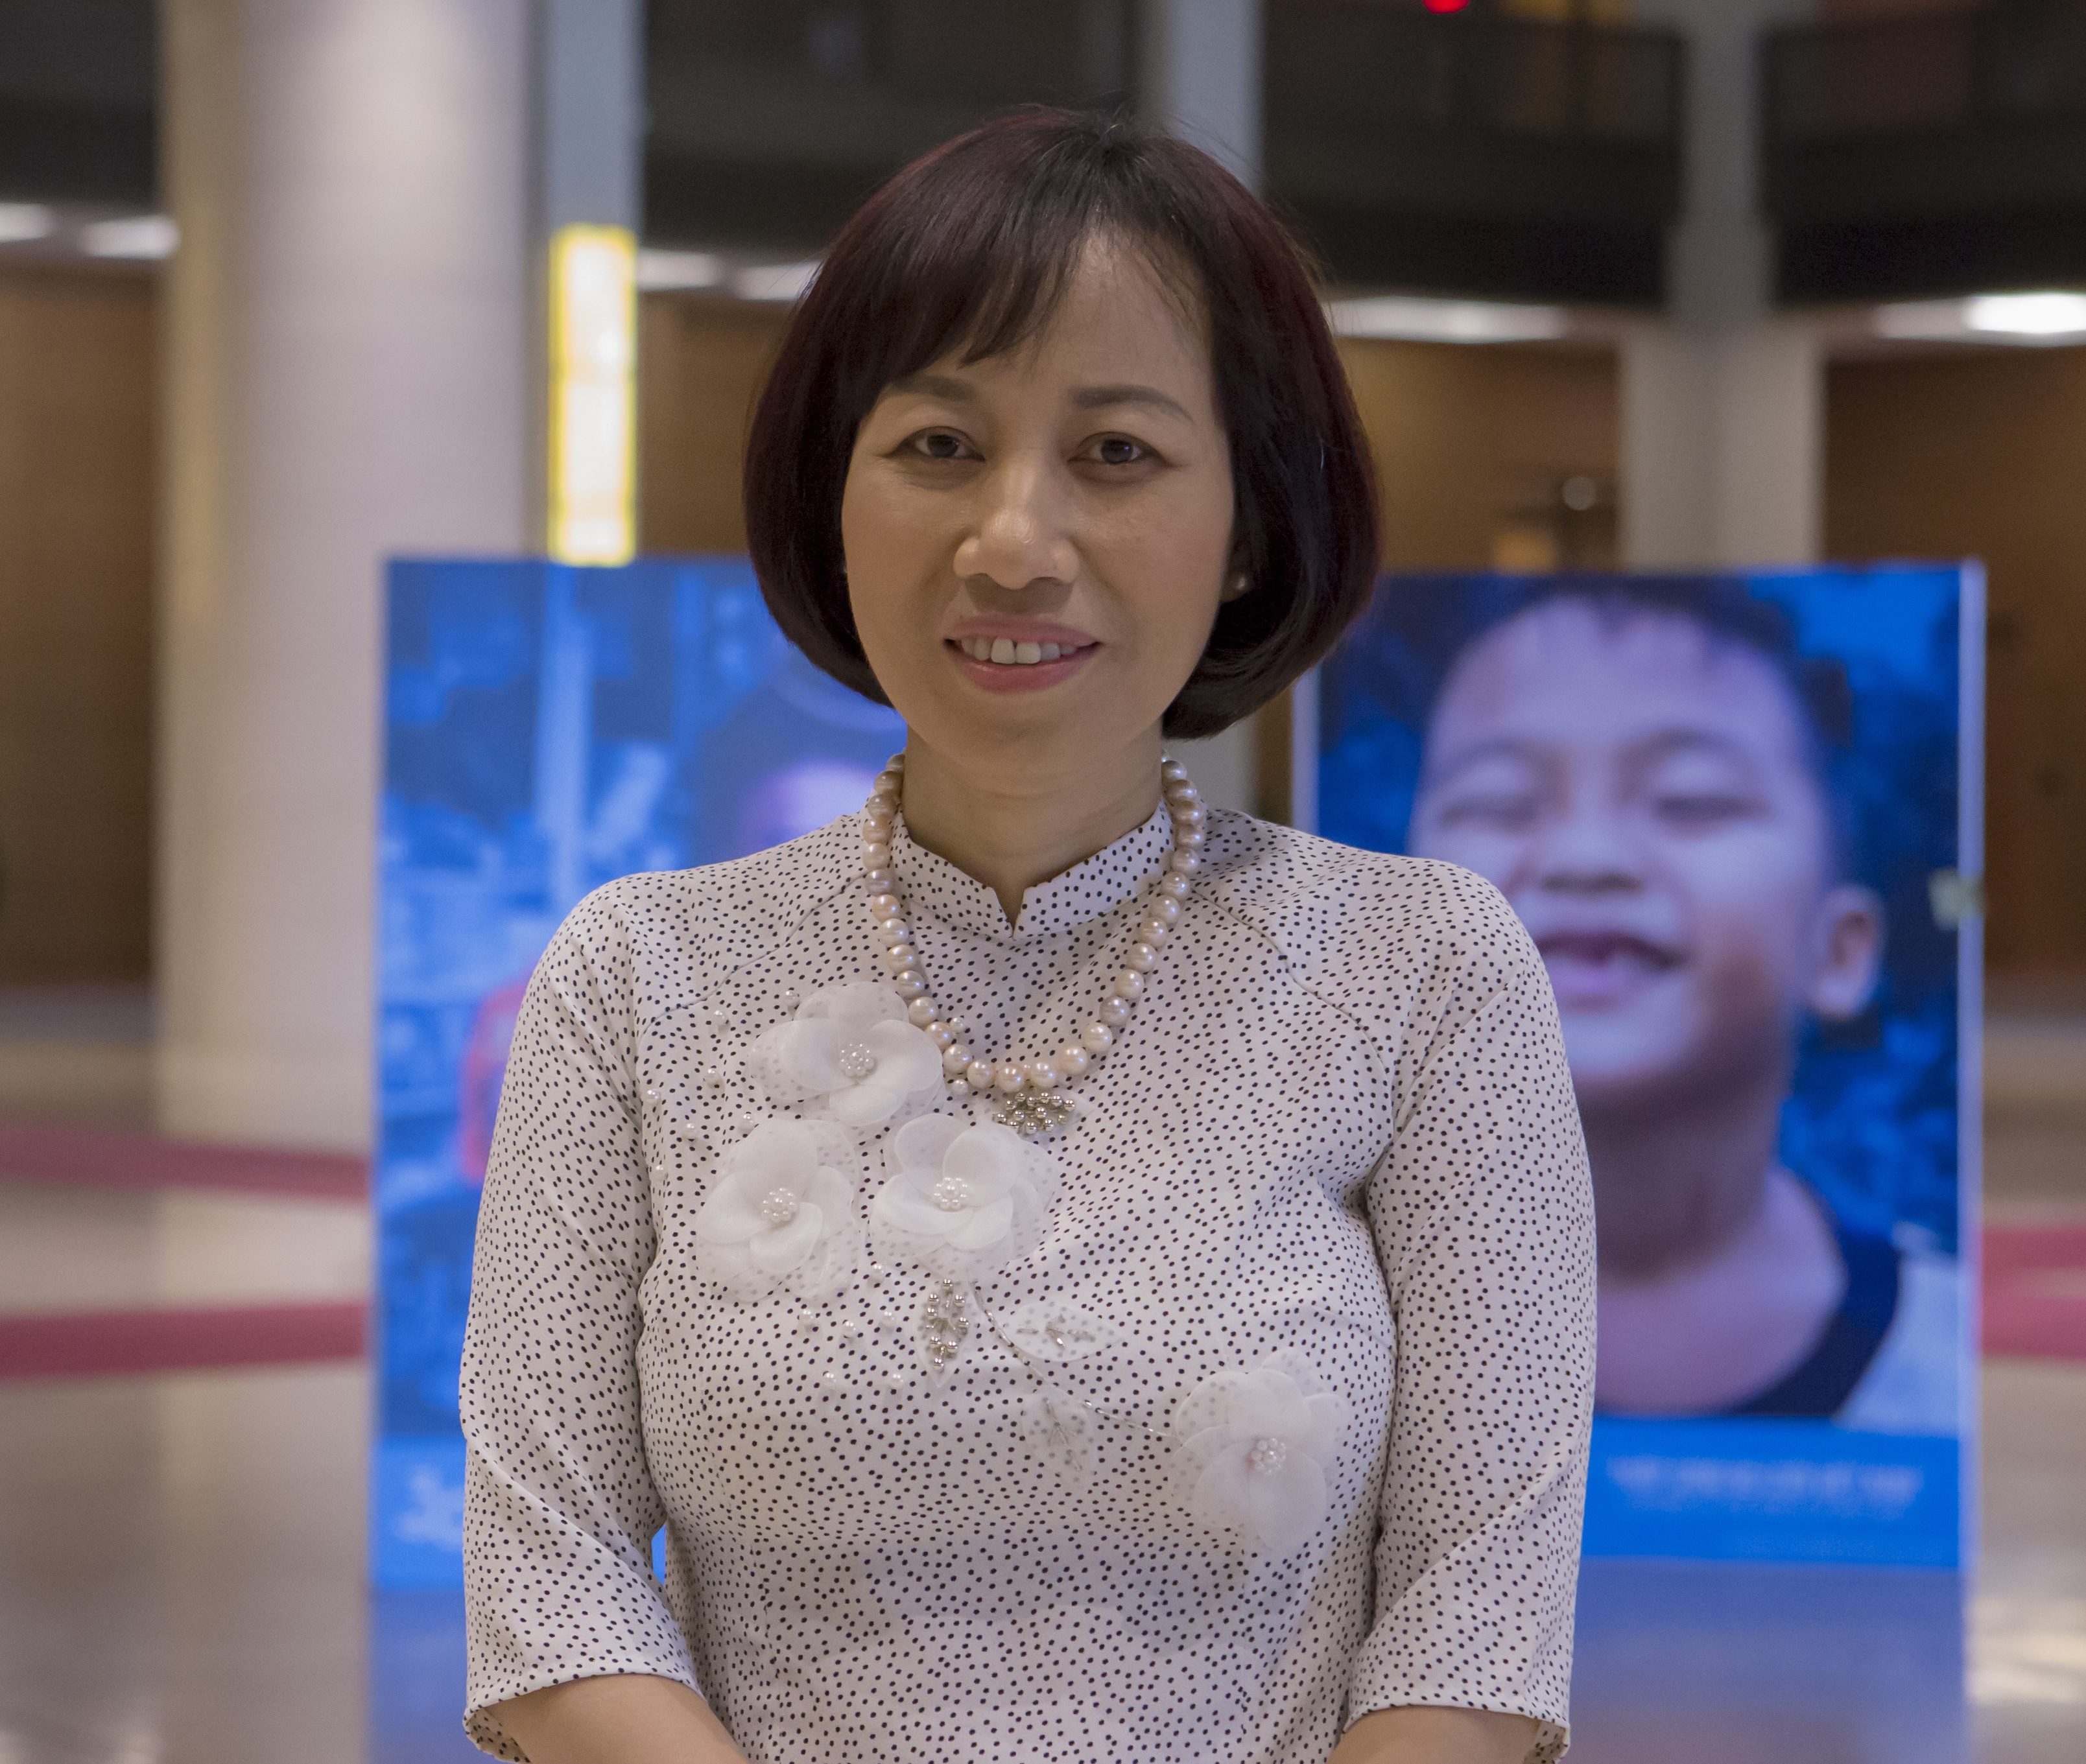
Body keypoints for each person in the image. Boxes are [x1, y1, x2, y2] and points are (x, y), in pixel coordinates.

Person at [458, 112, 1594, 1764]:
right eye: (937, 443)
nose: (1012, 541)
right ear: (833, 497)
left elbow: (1477, 1615)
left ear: (1250, 525)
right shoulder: (641, 975)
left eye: (1116, 452)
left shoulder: (1421, 970)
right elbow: (549, 1577)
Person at [1404, 580, 1956, 1425]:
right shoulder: (1314, 1321)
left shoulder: (1937, 1367)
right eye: (1500, 804)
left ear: (1838, 950)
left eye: (1689, 800)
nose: (1584, 857)